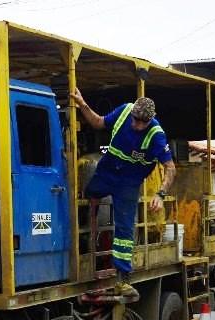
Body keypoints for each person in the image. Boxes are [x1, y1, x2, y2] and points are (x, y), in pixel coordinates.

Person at [70, 89, 176, 298]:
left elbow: (170, 167)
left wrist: (160, 194)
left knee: (125, 229)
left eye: (141, 122)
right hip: (107, 171)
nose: (136, 125)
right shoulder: (125, 111)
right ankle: (83, 244)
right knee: (87, 196)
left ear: (150, 120)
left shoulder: (156, 135)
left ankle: (122, 279)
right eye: (135, 120)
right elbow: (99, 122)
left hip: (129, 182)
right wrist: (82, 104)